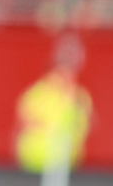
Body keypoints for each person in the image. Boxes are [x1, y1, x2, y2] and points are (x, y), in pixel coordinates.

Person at [15, 34, 91, 173]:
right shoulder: (37, 94)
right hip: (36, 164)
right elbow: (22, 129)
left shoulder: (81, 99)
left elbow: (82, 130)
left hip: (65, 167)